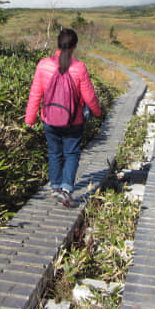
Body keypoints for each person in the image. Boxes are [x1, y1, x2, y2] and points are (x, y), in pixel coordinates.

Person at [25, 28, 102, 207]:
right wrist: (97, 112)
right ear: (74, 46)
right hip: (73, 121)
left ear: (58, 44)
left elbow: (35, 94)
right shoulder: (79, 67)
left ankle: (55, 186)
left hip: (49, 119)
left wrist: (30, 119)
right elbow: (89, 96)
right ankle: (67, 189)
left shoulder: (43, 64)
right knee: (72, 153)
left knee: (54, 152)